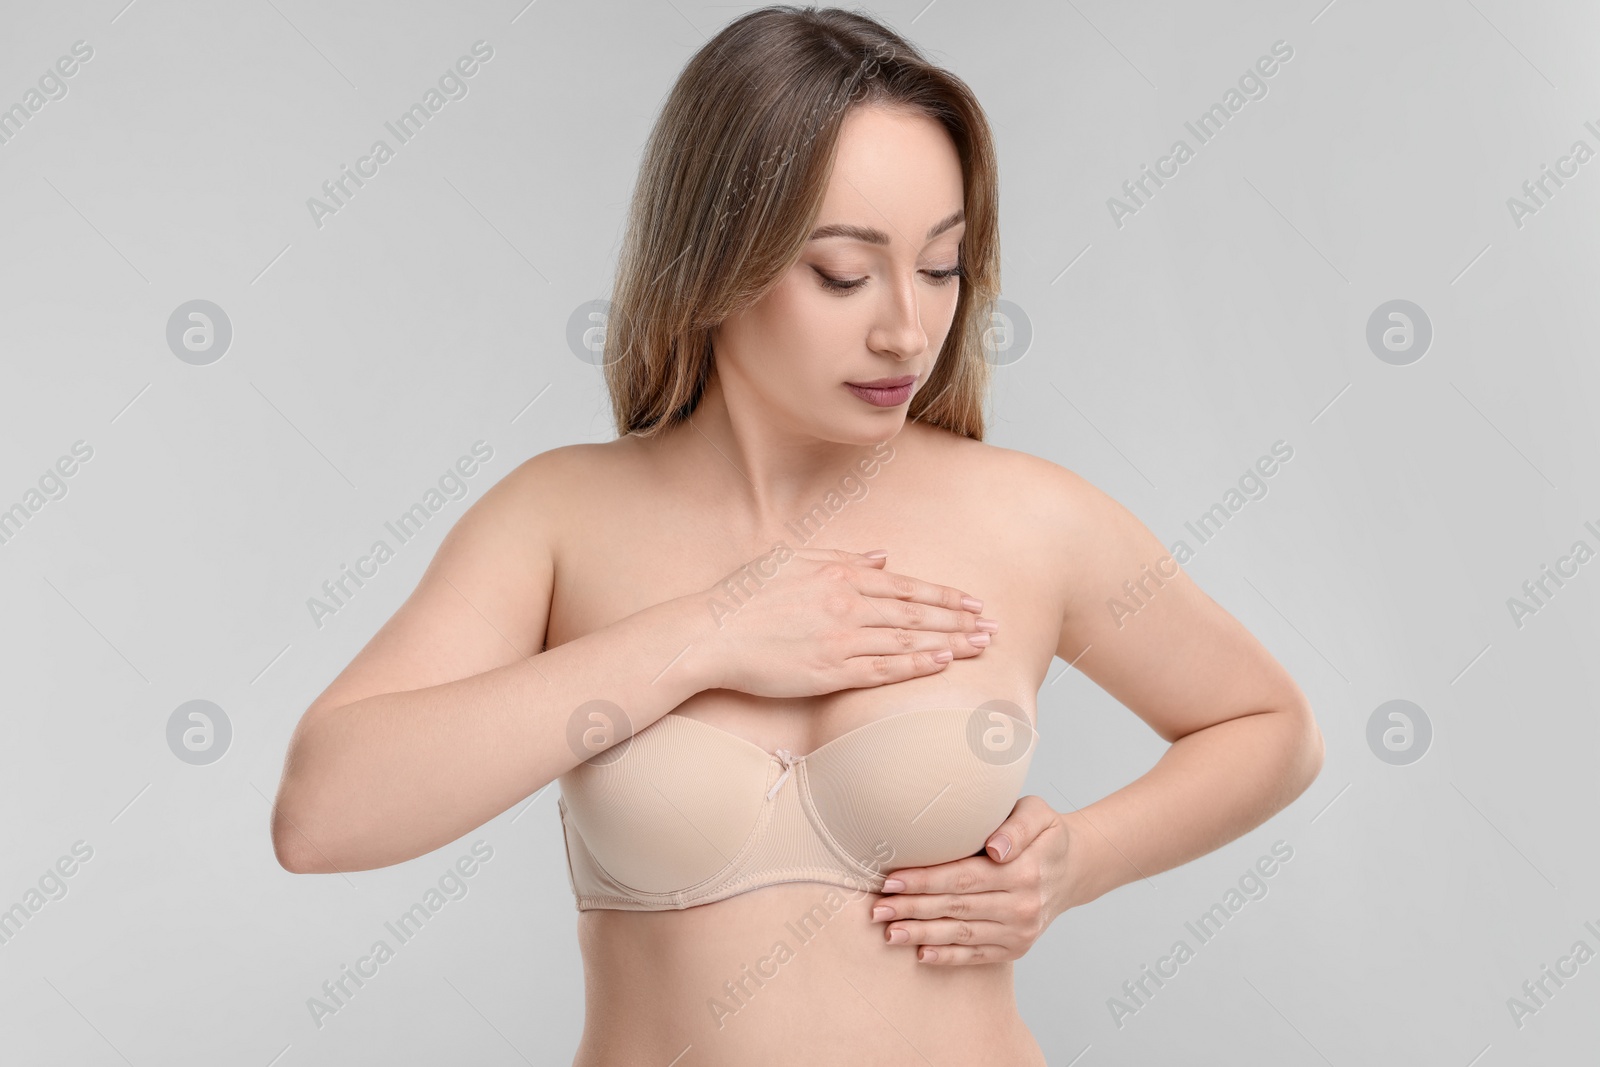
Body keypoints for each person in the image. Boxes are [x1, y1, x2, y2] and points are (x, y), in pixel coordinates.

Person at [270, 7, 1324, 1064]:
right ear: (716, 257)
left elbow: (1268, 723)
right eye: (842, 272)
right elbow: (323, 814)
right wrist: (710, 631)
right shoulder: (557, 517)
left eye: (942, 265)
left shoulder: (1031, 517)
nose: (906, 330)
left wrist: (1078, 859)